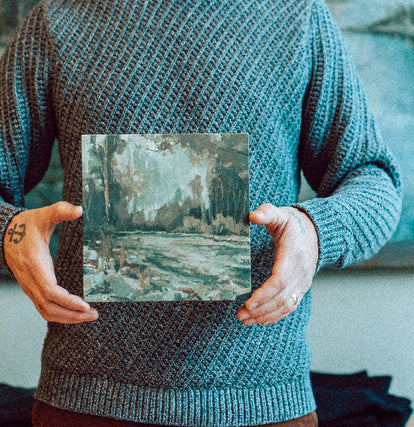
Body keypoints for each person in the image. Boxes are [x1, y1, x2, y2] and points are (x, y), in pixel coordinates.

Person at [0, 0, 402, 426]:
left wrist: (315, 231)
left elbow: (374, 181)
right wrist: (10, 232)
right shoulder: (57, 20)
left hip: (264, 406)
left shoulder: (297, 18)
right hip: (84, 404)